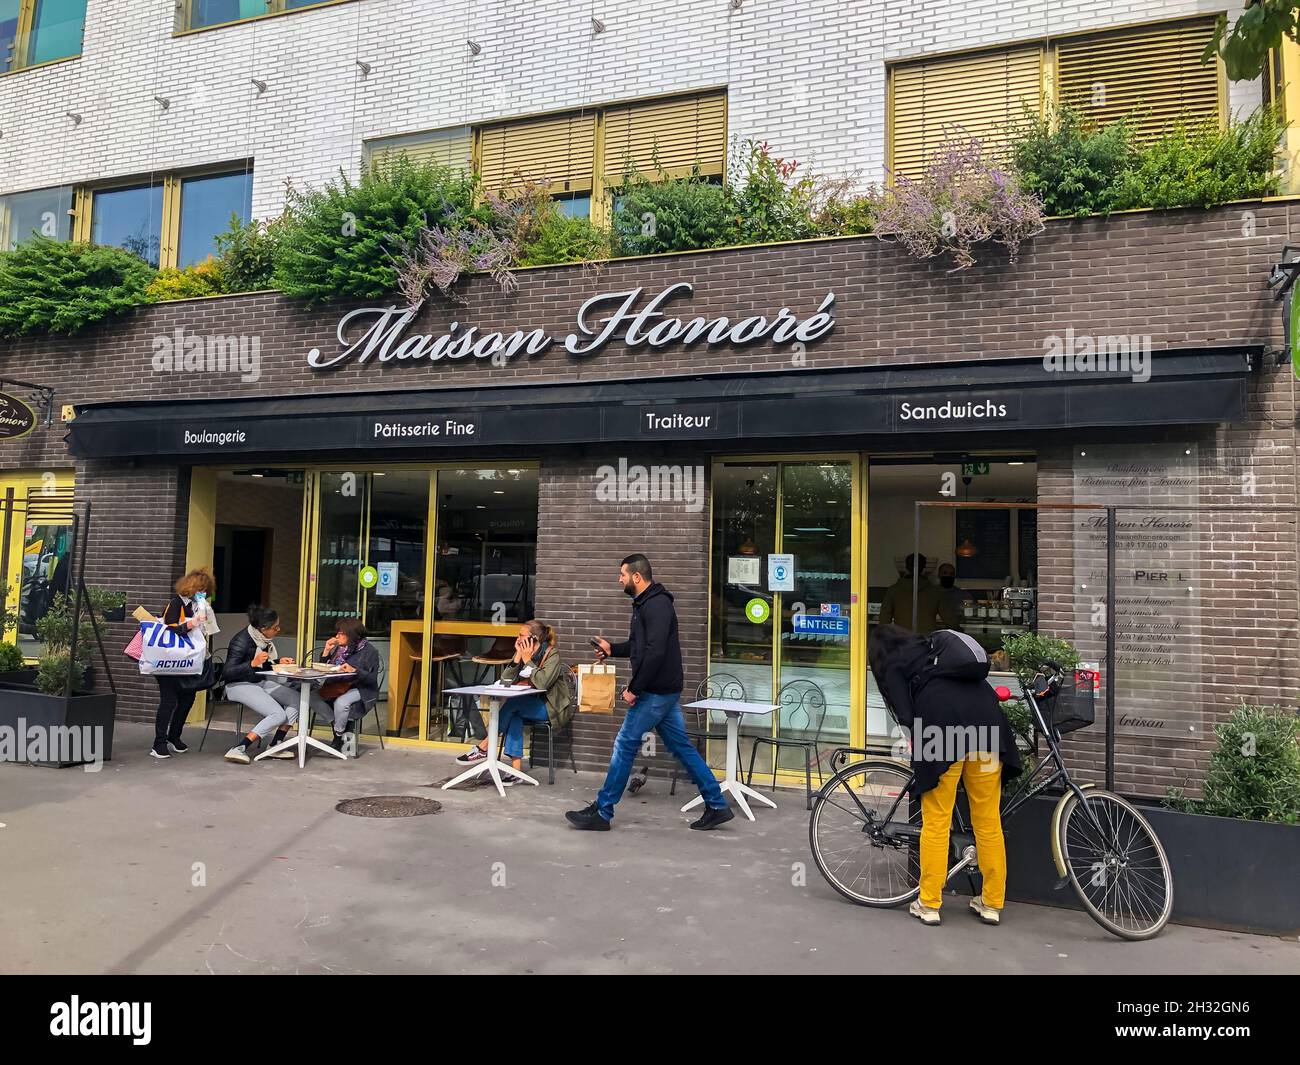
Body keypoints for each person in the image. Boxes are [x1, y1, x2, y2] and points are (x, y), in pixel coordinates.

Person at [869, 623, 1022, 927]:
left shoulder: (896, 663)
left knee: (937, 820)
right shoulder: (935, 651)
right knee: (988, 820)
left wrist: (916, 741)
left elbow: (905, 714)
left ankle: (929, 903)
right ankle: (992, 903)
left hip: (942, 730)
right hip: (988, 730)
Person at [566, 553, 733, 831]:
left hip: (654, 692)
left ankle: (603, 812)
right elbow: (640, 646)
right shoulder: (645, 604)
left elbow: (655, 653)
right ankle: (717, 805)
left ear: (636, 577)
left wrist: (634, 688)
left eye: (622, 574)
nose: (619, 579)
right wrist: (612, 649)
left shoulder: (656, 606)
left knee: (624, 744)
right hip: (663, 691)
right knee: (681, 747)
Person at [454, 619, 572, 782]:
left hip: (551, 709)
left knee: (513, 704)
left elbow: (543, 683)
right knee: (514, 715)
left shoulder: (552, 654)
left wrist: (527, 660)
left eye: (521, 635)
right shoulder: (522, 654)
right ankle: (516, 773)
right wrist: (517, 657)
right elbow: (505, 681)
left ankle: (484, 747)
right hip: (528, 705)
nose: (517, 638)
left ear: (534, 639)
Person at [150, 566, 216, 759]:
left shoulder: (199, 606)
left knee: (188, 698)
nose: (203, 594)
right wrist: (191, 623)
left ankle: (174, 736)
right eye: (201, 590)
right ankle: (158, 743)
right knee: (168, 701)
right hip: (169, 661)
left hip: (187, 661)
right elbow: (169, 630)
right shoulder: (176, 603)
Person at [223, 605, 301, 764]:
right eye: (275, 627)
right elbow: (227, 673)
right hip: (237, 685)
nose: (278, 630)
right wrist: (252, 663)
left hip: (257, 681)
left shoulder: (263, 640)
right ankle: (239, 748)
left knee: (297, 700)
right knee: (278, 714)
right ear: (263, 628)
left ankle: (275, 745)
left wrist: (278, 662)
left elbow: (263, 665)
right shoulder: (241, 640)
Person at [310, 617, 380, 752]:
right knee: (312, 696)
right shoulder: (340, 649)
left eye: (341, 633)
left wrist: (356, 670)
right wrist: (326, 651)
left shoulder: (370, 652)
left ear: (353, 635)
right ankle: (337, 725)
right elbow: (325, 668)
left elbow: (371, 679)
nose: (337, 636)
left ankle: (338, 735)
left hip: (360, 687)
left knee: (341, 703)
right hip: (337, 685)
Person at [877, 552, 942, 634]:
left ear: (906, 566)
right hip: (925, 639)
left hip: (902, 638)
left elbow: (884, 619)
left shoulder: (894, 590)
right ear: (924, 567)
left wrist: (882, 639)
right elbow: (948, 616)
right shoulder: (934, 592)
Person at [933, 562, 974, 631]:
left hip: (957, 631)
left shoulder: (964, 596)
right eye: (945, 573)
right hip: (934, 632)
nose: (948, 576)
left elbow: (970, 617)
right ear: (939, 575)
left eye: (951, 574)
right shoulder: (930, 593)